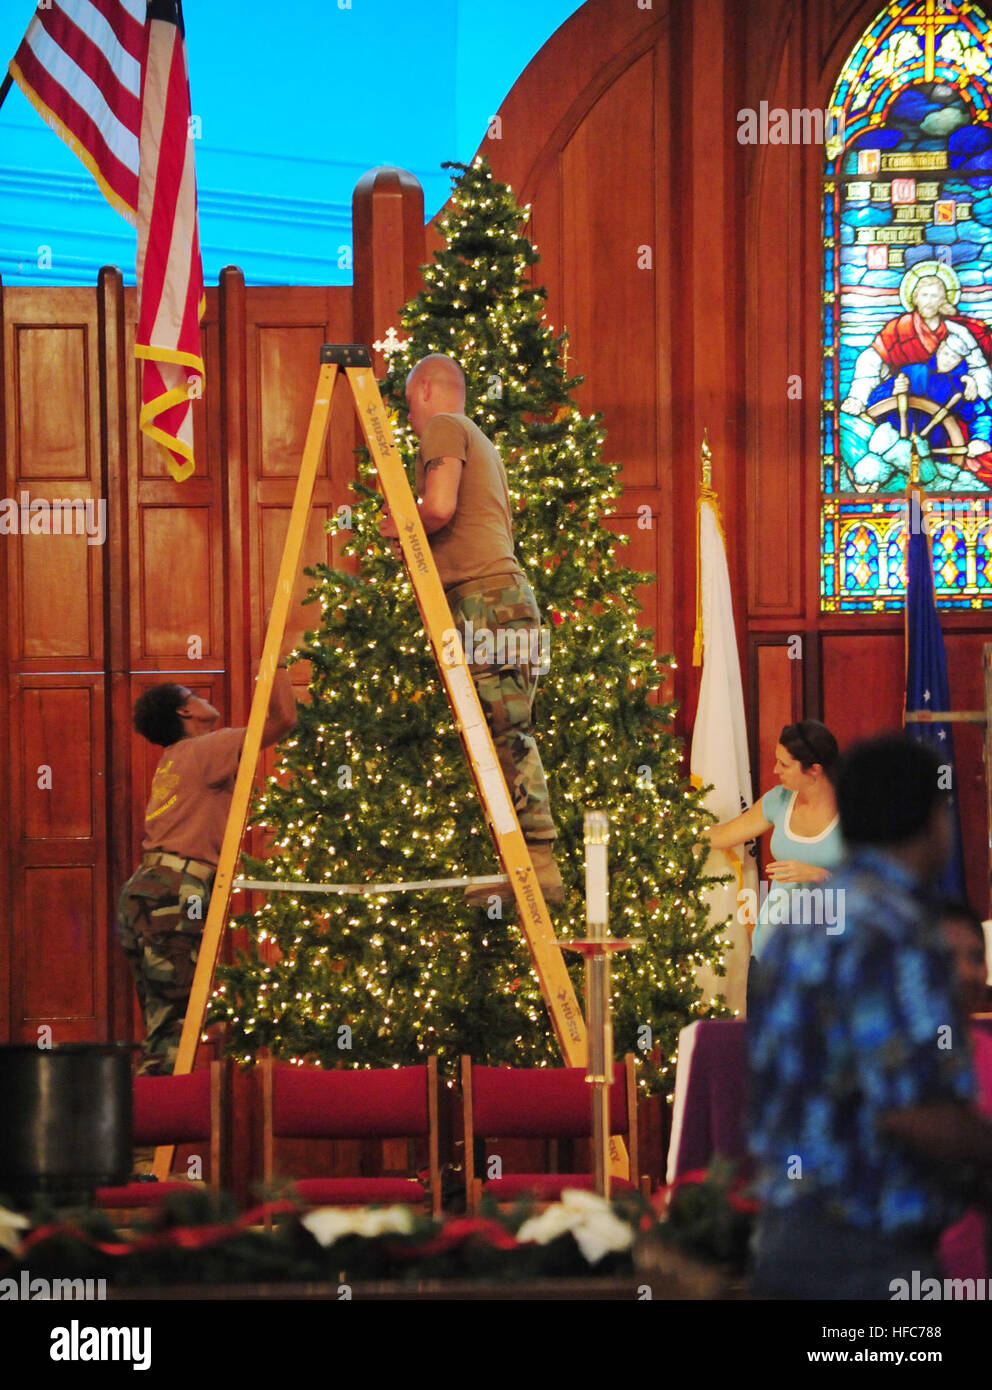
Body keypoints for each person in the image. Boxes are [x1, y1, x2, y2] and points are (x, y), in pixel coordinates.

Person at [749, 734, 992, 1300]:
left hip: (785, 1237)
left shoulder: (797, 928)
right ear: (933, 821)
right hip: (871, 1253)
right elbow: (908, 1107)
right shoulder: (901, 930)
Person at [378, 352, 563, 906]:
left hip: (488, 601)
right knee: (500, 732)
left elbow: (437, 506)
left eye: (410, 402)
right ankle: (525, 868)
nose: (410, 417)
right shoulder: (477, 437)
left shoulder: (444, 426)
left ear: (429, 389)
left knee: (504, 733)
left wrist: (398, 523)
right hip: (499, 600)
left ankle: (539, 869)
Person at [117, 661, 296, 1075]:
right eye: (193, 696)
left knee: (162, 1028)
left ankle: (148, 1129)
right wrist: (277, 663)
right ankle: (155, 1130)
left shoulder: (178, 756)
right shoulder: (205, 748)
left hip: (148, 889)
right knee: (176, 1029)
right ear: (185, 712)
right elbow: (284, 719)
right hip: (179, 891)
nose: (205, 699)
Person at [703, 720, 843, 1003]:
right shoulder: (778, 800)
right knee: (764, 1043)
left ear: (814, 769)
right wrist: (674, 829)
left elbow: (879, 882)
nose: (775, 770)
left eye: (784, 764)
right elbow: (721, 836)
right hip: (770, 948)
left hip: (829, 953)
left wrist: (818, 874)